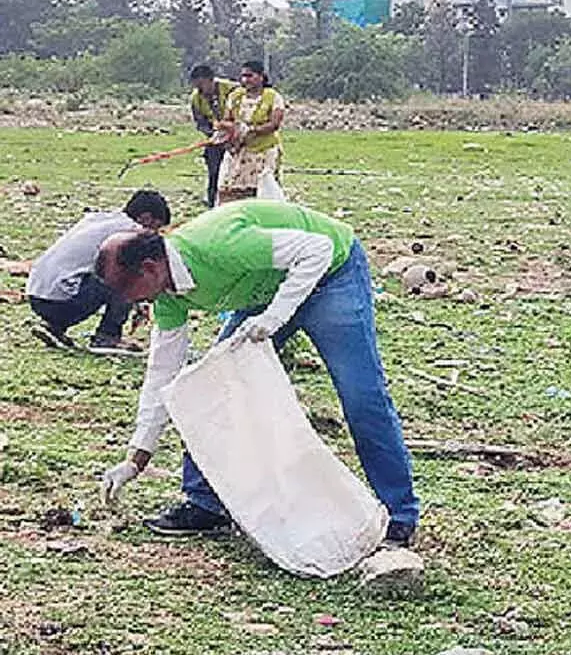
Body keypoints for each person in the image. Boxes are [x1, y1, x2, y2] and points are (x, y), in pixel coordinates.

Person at [94, 200, 419, 546]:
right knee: (213, 385)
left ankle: (398, 515)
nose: (128, 302)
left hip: (330, 275)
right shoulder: (167, 295)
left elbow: (317, 250)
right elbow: (163, 373)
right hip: (266, 290)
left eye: (125, 290)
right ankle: (206, 504)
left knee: (361, 395)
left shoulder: (218, 244)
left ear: (148, 268)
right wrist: (137, 457)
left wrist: (274, 318)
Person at [26, 190, 170, 355]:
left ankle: (55, 326)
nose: (154, 234)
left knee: (97, 271)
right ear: (145, 218)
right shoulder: (131, 233)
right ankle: (108, 336)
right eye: (156, 228)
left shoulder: (98, 218)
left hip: (36, 293)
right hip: (61, 301)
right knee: (127, 277)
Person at [215, 60, 286, 205]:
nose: (245, 80)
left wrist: (251, 130)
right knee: (229, 189)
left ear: (261, 77)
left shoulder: (273, 97)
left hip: (263, 151)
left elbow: (274, 124)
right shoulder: (235, 96)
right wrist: (229, 130)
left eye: (249, 76)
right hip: (238, 151)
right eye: (243, 76)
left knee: (263, 191)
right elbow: (227, 119)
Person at [188, 65, 237, 208]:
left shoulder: (233, 91)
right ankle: (212, 203)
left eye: (202, 86)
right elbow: (200, 122)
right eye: (197, 87)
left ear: (211, 80)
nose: (201, 91)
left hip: (239, 138)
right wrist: (213, 134)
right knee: (214, 171)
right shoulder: (196, 99)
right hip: (216, 139)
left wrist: (231, 133)